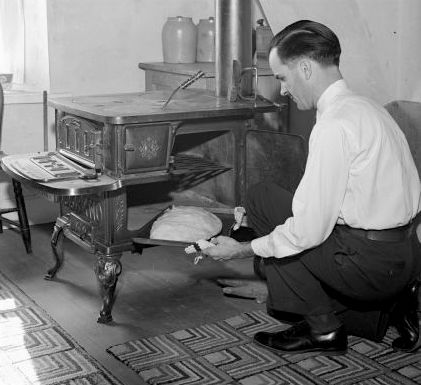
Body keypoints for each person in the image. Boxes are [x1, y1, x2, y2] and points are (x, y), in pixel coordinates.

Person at [202, 20, 421, 355]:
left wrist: (243, 249)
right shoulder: (368, 107)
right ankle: (389, 305)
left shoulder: (334, 125)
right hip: (407, 256)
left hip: (371, 267)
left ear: (305, 67)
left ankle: (324, 331)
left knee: (284, 243)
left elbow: (305, 233)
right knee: (262, 198)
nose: (284, 90)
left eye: (282, 78)